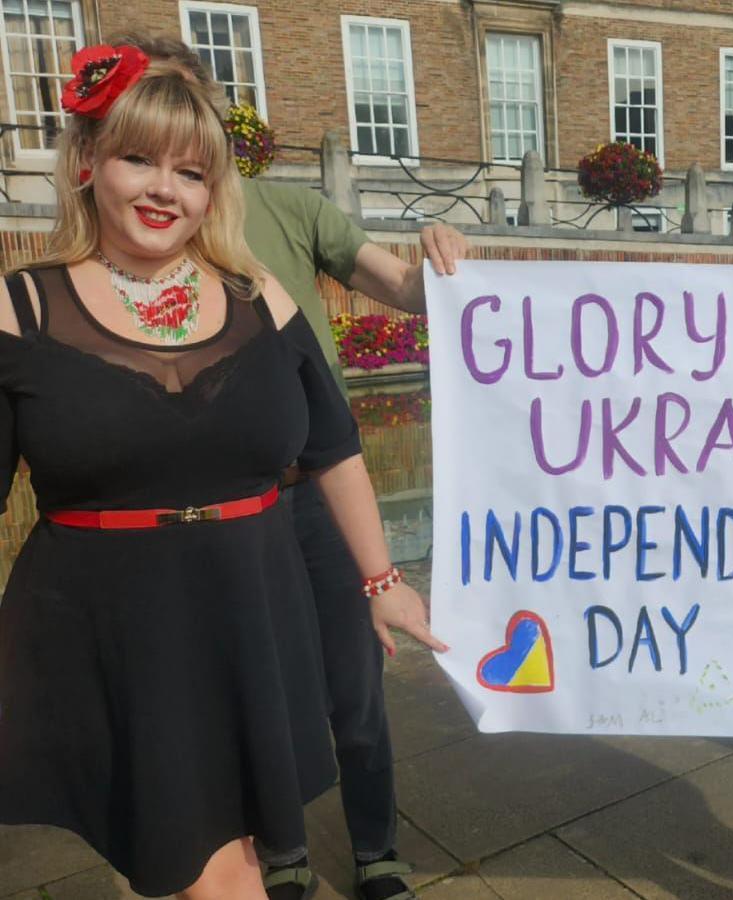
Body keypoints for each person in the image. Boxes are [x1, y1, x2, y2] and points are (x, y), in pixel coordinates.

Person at [0, 38, 444, 900]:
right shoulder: (22, 308)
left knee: (225, 855)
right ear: (88, 162)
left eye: (192, 172)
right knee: (190, 864)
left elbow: (332, 446)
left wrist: (382, 577)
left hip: (251, 609)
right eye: (139, 159)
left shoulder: (256, 296)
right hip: (109, 627)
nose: (167, 189)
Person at [129, 37, 467, 900]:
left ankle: (377, 847)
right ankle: (281, 852)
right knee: (258, 694)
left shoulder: (288, 210)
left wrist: (440, 261)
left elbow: (397, 288)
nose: (172, 167)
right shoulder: (148, 242)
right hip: (218, 505)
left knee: (355, 688)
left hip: (320, 487)